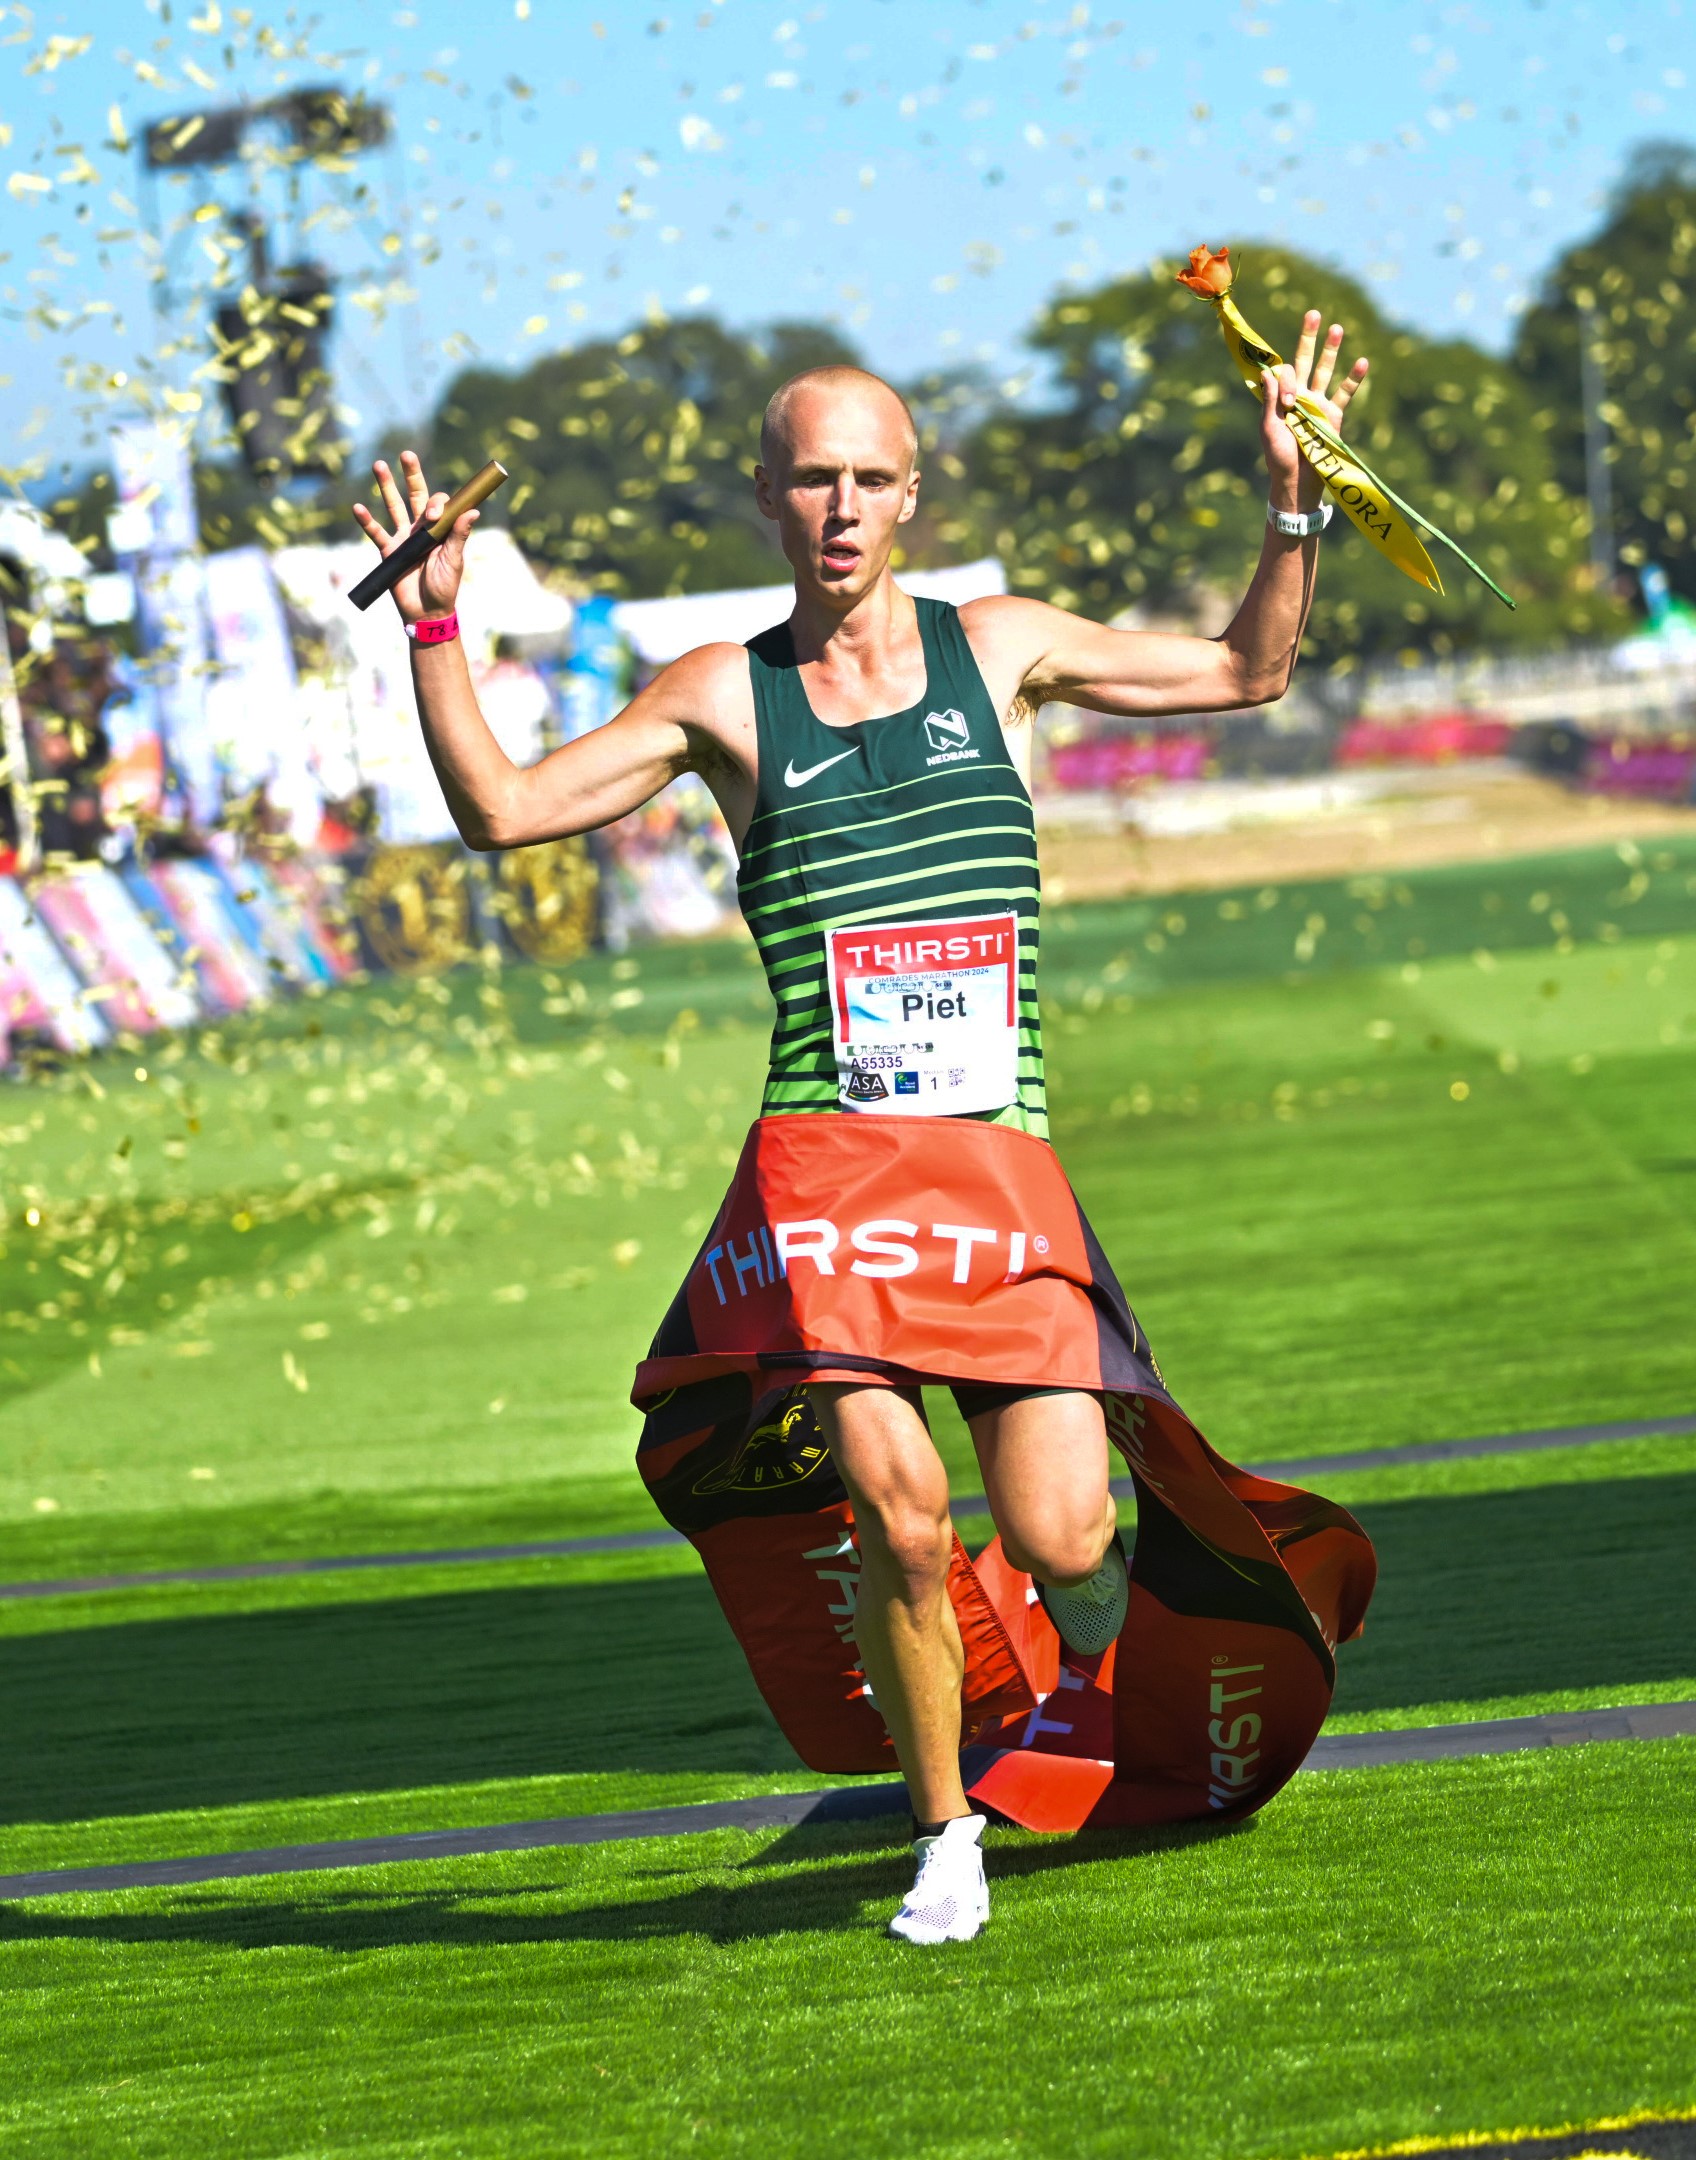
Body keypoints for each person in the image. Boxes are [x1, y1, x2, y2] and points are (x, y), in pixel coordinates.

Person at [353, 308, 1370, 1944]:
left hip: (997, 1169)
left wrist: (1292, 503)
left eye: (870, 478)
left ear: (913, 494)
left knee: (1063, 1528)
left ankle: (1025, 1664)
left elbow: (1249, 669)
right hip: (828, 1176)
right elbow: (504, 811)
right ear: (767, 495)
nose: (841, 505)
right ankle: (943, 1830)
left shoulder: (1004, 647)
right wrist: (433, 633)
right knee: (902, 1515)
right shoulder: (723, 698)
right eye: (811, 478)